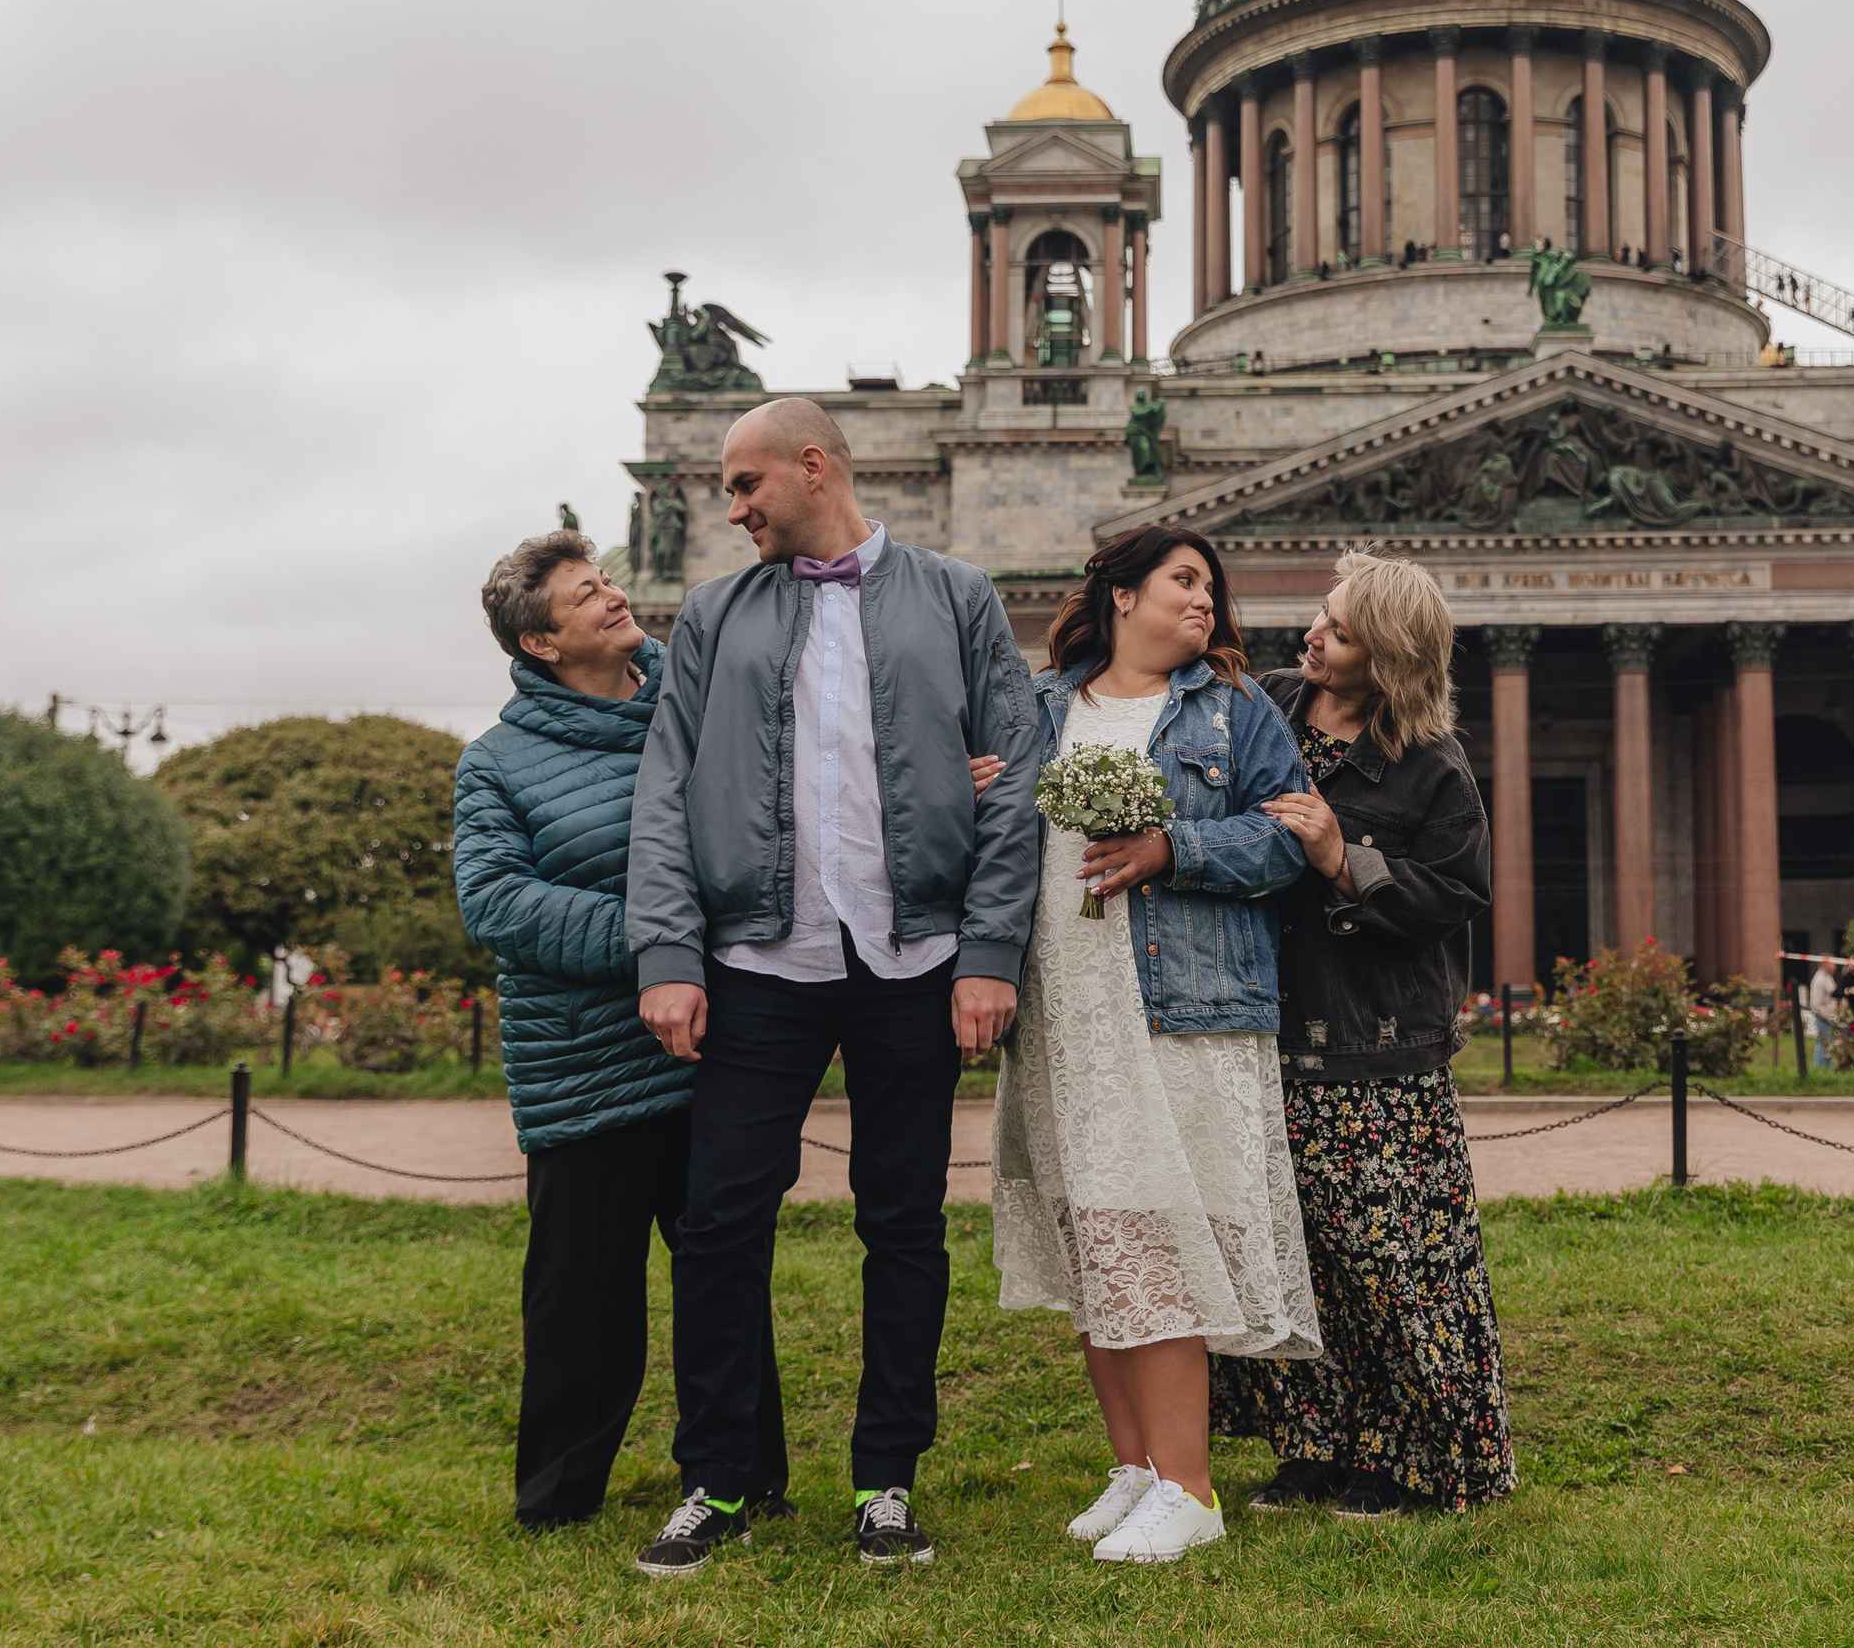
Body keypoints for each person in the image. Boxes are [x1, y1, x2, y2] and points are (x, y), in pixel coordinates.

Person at [624, 398, 1042, 1576]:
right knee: (716, 1229)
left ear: (813, 468)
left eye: (746, 483)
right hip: (759, 964)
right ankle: (715, 1479)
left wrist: (989, 951)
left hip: (914, 968)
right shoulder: (711, 615)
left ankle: (887, 1481)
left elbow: (1020, 783)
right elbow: (666, 791)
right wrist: (667, 955)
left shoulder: (957, 597)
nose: (733, 505)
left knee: (902, 1226)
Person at [991, 526, 1321, 1566]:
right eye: (1183, 581)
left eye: (1211, 590)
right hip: (1063, 1009)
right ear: (1121, 595)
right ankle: (1135, 1467)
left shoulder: (1235, 710)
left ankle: (1191, 1486)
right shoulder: (1043, 709)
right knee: (1098, 1237)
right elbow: (999, 843)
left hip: (1174, 1008)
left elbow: (1287, 836)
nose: (1205, 603)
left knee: (1157, 1240)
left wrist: (1173, 846)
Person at [452, 531, 789, 1530]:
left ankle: (745, 1478)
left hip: (708, 1054)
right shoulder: (497, 763)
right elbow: (499, 904)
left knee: (723, 1281)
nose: (612, 598)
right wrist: (661, 945)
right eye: (584, 595)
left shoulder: (691, 717)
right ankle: (558, 1497)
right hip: (584, 1068)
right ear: (541, 642)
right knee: (582, 1303)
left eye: (606, 583)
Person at [1210, 548, 1515, 1517]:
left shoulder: (1430, 765)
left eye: (1339, 630)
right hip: (1262, 1029)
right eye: (1320, 616)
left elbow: (1460, 894)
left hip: (1374, 1052)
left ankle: (1400, 1457)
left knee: (1386, 1270)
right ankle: (1307, 1447)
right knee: (1285, 1259)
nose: (1313, 634)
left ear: (1384, 655)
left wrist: (1346, 858)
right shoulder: (1264, 709)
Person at [1807, 957, 1839, 1070]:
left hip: (1830, 1017)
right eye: (1832, 963)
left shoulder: (1828, 977)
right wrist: (1826, 1015)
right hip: (1823, 1018)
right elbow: (1815, 1003)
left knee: (1829, 1045)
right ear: (1824, 964)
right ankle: (1820, 1068)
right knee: (1823, 1044)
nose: (1835, 966)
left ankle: (1826, 1067)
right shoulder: (1819, 980)